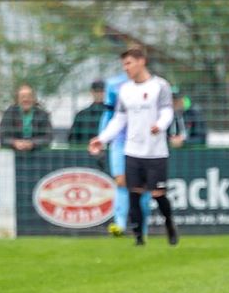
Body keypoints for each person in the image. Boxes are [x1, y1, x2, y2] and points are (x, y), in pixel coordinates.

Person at [89, 47, 178, 247]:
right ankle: (139, 238)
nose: (126, 68)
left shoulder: (159, 86)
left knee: (158, 194)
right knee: (134, 193)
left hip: (156, 151)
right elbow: (119, 120)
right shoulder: (125, 90)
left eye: (128, 63)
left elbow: (167, 112)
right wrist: (102, 139)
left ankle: (170, 225)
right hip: (132, 150)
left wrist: (160, 125)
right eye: (124, 64)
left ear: (141, 62)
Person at [100, 71, 152, 237]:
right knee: (121, 181)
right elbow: (109, 112)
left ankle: (142, 228)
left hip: (143, 141)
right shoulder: (114, 84)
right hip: (120, 141)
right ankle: (120, 225)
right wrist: (102, 137)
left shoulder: (155, 84)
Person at [0, 84, 53, 151]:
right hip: (13, 154)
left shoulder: (43, 115)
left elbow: (48, 137)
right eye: (22, 97)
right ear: (18, 99)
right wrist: (15, 143)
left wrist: (32, 143)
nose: (26, 99)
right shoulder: (9, 113)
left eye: (29, 96)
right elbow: (3, 137)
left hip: (37, 154)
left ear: (34, 99)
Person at [68, 80, 107, 145]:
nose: (99, 94)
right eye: (97, 91)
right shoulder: (81, 115)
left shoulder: (112, 114)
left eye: (102, 91)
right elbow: (72, 139)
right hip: (85, 152)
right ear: (92, 92)